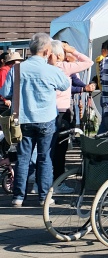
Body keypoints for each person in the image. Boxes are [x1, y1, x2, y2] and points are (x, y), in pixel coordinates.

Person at [0, 33, 70, 206]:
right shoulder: (52, 70)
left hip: (23, 118)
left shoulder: (17, 69)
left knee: (23, 158)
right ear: (47, 51)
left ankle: (18, 196)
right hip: (47, 118)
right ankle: (44, 196)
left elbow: (4, 92)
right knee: (45, 158)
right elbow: (64, 85)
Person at [48, 40, 93, 179]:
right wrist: (74, 51)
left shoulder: (44, 67)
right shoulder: (64, 67)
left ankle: (41, 182)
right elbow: (88, 62)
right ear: (59, 55)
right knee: (60, 148)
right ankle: (58, 180)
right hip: (62, 110)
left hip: (47, 110)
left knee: (47, 148)